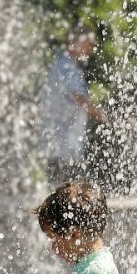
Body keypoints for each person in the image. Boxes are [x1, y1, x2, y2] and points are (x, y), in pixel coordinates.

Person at [39, 25, 104, 183]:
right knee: (67, 196)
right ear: (77, 43)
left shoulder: (65, 64)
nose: (91, 50)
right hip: (62, 146)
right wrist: (105, 118)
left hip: (60, 145)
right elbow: (80, 98)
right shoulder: (67, 66)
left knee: (63, 196)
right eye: (89, 45)